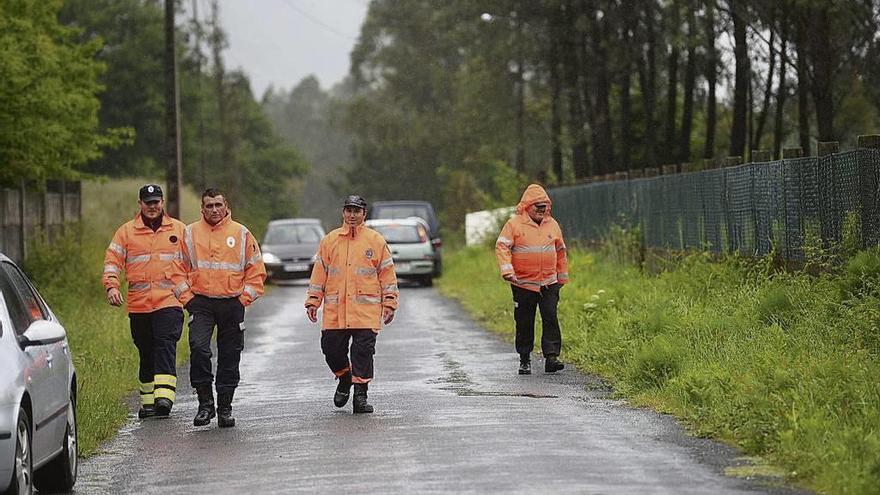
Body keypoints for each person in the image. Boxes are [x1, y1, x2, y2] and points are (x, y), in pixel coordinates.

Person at [305, 195, 399, 414]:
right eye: (349, 210)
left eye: (357, 211)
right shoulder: (330, 240)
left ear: (363, 214)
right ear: (343, 213)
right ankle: (345, 379)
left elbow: (387, 274)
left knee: (363, 353)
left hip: (366, 311)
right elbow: (319, 274)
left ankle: (360, 396)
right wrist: (313, 301)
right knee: (331, 350)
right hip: (335, 312)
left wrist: (390, 302)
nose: (352, 215)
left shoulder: (375, 241)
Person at [181, 188, 266, 428]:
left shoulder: (241, 233)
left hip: (232, 303)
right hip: (201, 302)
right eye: (209, 206)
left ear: (226, 205)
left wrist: (243, 299)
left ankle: (225, 407)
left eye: (218, 205)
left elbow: (256, 270)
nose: (215, 210)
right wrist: (187, 299)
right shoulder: (189, 233)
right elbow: (176, 269)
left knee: (230, 355)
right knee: (198, 348)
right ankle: (205, 403)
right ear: (202, 208)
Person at [103, 184, 190, 418]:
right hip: (139, 305)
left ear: (162, 203)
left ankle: (165, 398)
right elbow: (113, 261)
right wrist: (111, 286)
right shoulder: (126, 232)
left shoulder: (179, 230)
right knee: (146, 350)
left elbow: (193, 263)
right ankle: (148, 403)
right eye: (148, 202)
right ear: (140, 204)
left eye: (156, 202)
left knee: (165, 344)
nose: (152, 207)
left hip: (169, 302)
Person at [495, 184, 570, 375]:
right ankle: (524, 358)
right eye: (538, 207)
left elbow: (561, 251)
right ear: (527, 206)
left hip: (549, 283)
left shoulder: (552, 224)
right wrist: (507, 270)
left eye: (544, 207)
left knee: (550, 317)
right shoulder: (514, 225)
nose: (541, 211)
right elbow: (502, 247)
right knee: (524, 321)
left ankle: (551, 358)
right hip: (523, 284)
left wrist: (561, 278)